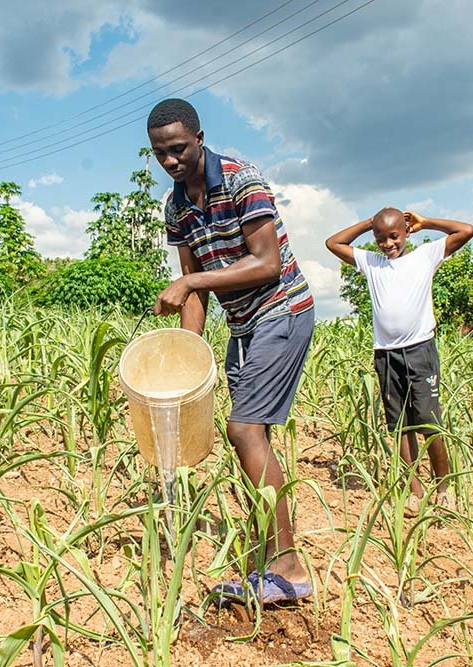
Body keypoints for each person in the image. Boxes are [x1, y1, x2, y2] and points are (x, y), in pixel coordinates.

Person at [147, 98, 315, 604]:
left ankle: (289, 569)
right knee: (248, 435)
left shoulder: (243, 179)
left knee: (244, 429)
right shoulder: (176, 205)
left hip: (282, 308)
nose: (171, 161)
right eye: (160, 154)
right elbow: (192, 292)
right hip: (241, 323)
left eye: (178, 149)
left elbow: (265, 264)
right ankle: (270, 553)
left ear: (199, 138)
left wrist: (192, 278)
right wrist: (188, 357)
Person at [325, 207, 473, 513]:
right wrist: (370, 224)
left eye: (394, 236)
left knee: (430, 422)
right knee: (400, 427)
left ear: (406, 232)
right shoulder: (372, 263)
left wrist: (426, 222)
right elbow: (333, 243)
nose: (388, 243)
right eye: (381, 238)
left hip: (420, 350)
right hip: (386, 354)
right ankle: (414, 489)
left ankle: (443, 486)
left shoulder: (425, 256)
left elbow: (466, 231)